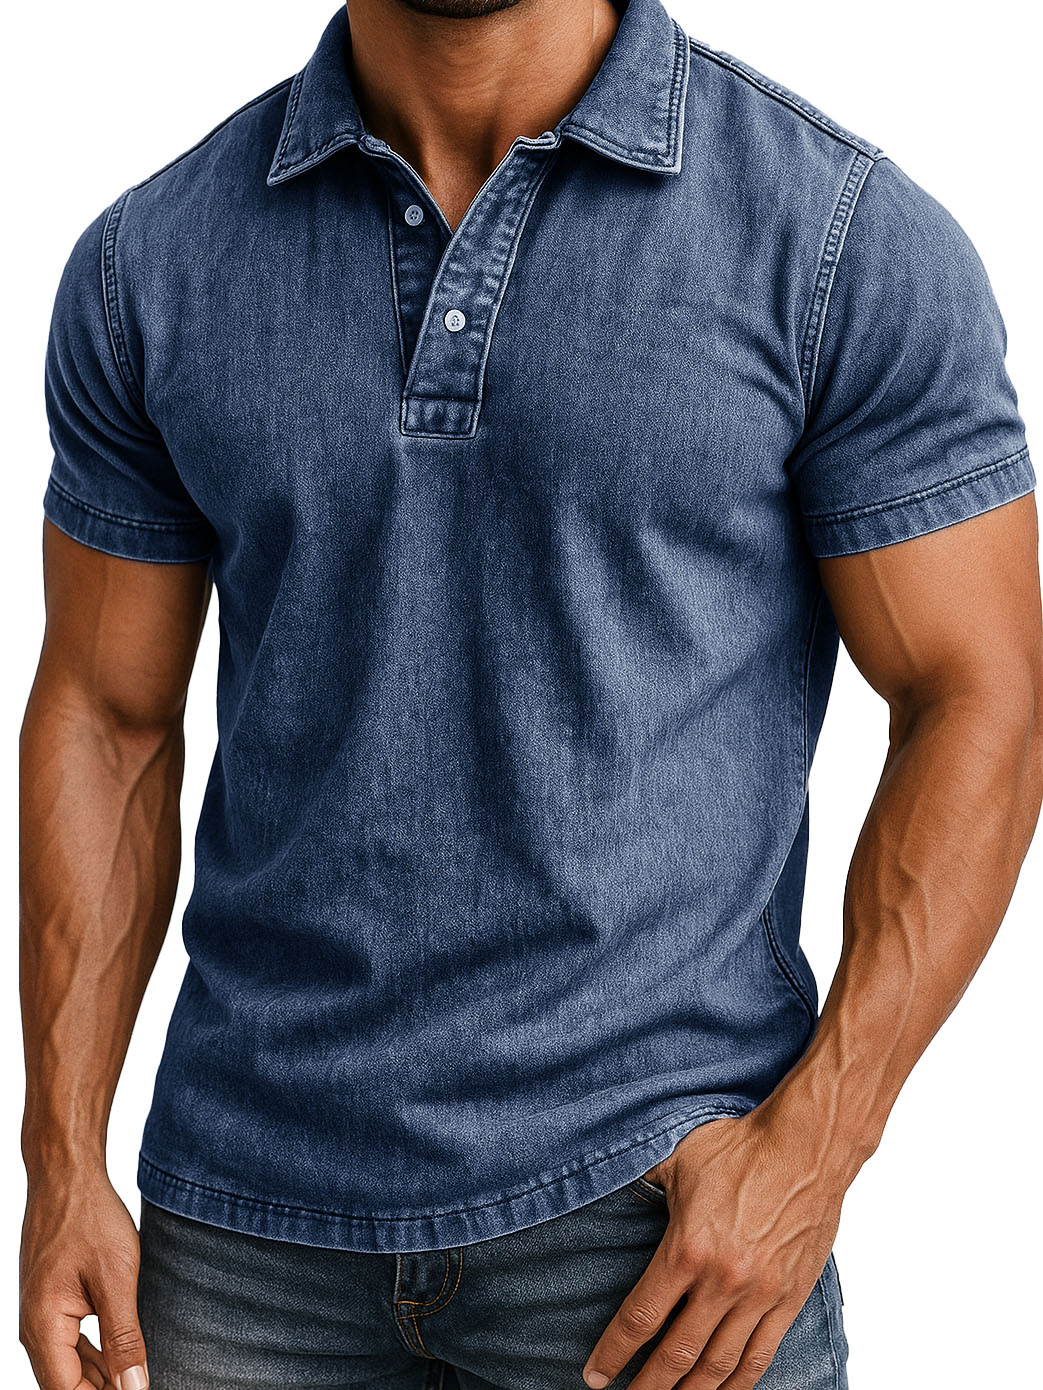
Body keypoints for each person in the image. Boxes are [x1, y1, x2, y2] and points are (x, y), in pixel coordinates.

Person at [18, 0, 1042, 1385]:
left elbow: (981, 692)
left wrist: (817, 1144)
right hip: (242, 1243)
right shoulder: (153, 262)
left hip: (654, 1237)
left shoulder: (834, 238)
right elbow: (105, 715)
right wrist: (61, 1157)